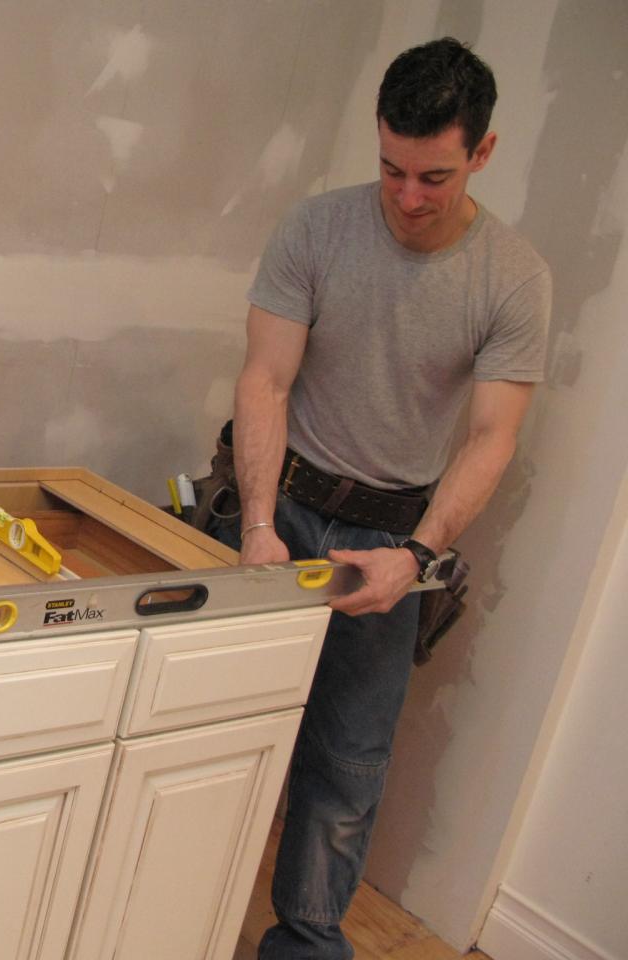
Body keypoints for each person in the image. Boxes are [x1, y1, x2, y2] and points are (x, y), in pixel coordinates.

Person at [204, 37, 551, 960]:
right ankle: (171, 917)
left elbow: (491, 437)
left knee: (345, 764)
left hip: (389, 540)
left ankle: (306, 944)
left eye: (433, 176)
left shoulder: (513, 278)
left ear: (481, 152)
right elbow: (266, 380)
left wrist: (419, 555)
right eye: (392, 168)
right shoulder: (315, 229)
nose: (407, 197)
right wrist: (262, 525)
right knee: (208, 734)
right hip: (281, 504)